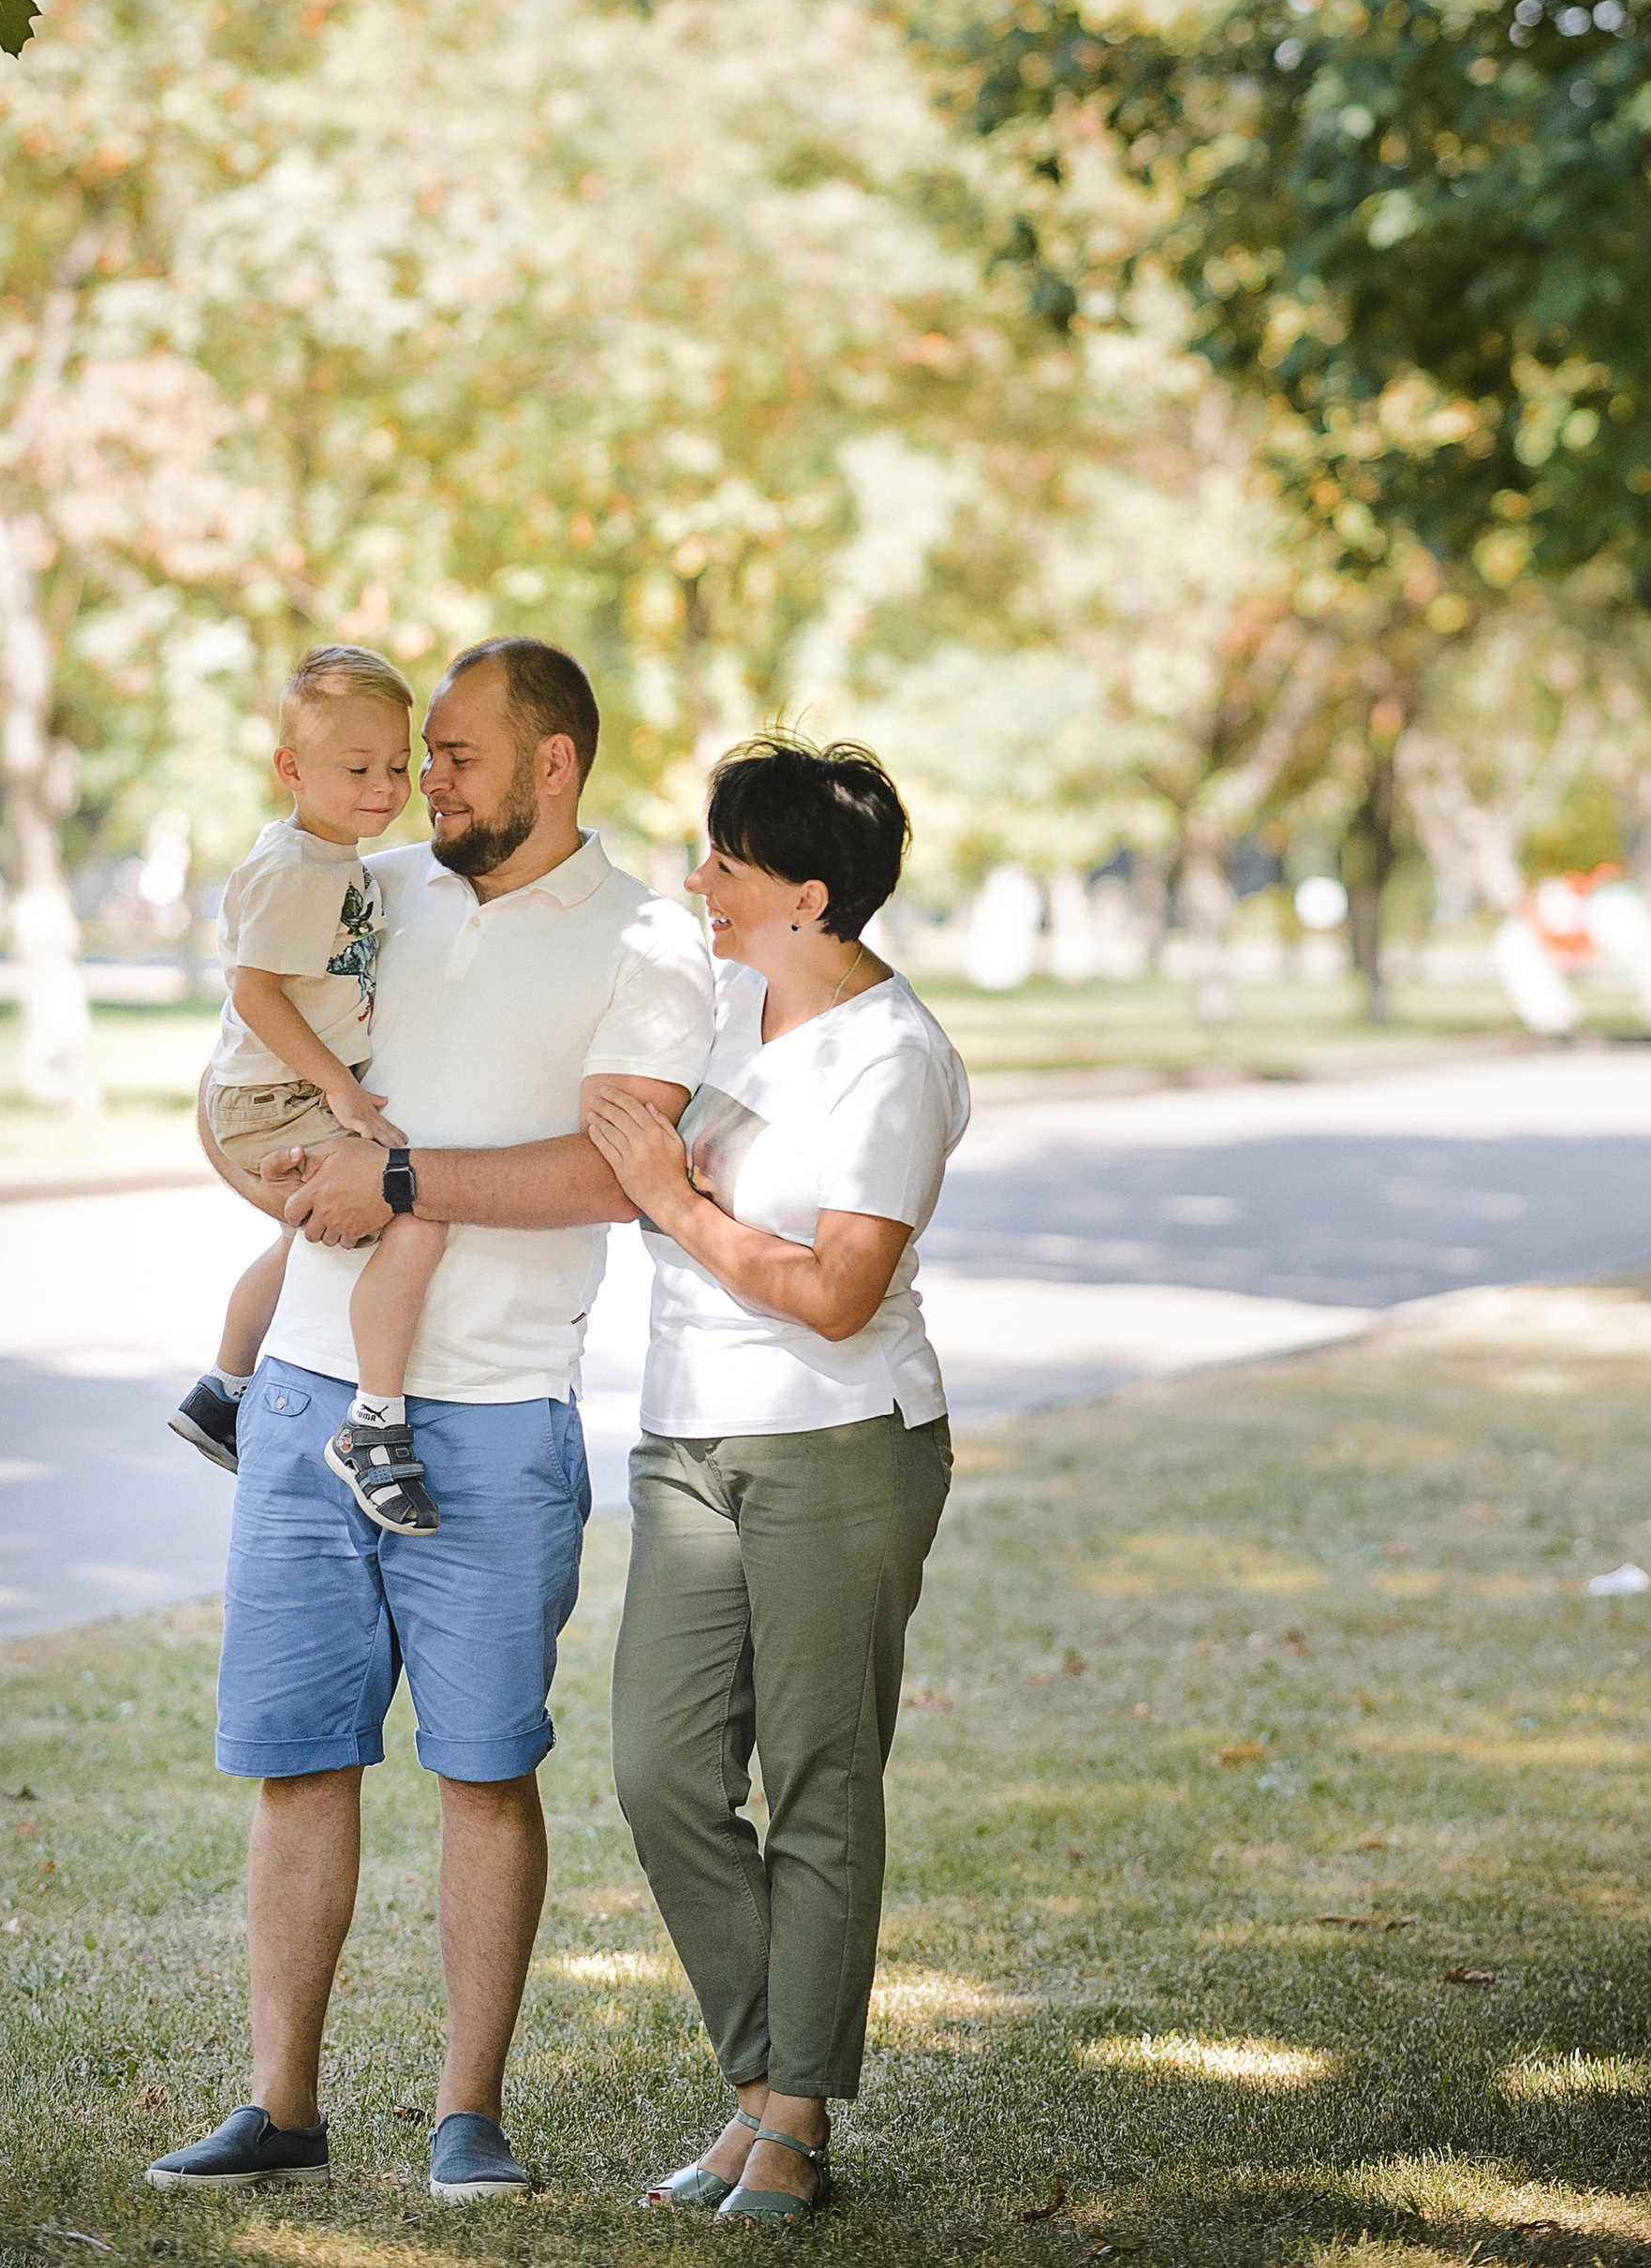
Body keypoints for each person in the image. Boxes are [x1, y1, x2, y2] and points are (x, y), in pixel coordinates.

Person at [147, 638, 715, 2208]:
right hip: (308, 1395)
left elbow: (628, 1176)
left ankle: (469, 2116)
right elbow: (254, 1049)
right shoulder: (367, 883)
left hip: (495, 1417)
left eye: (456, 754)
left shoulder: (645, 940)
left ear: (554, 765)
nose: (420, 780)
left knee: (482, 1769)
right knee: (297, 1758)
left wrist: (400, 1180)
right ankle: (282, 2104)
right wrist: (283, 1176)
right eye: (415, 754)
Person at [585, 736, 968, 2226]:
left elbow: (836, 1294)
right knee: (661, 1770)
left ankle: (792, 2118)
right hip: (685, 1435)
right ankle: (765, 2083)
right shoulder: (723, 1009)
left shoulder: (894, 1058)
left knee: (818, 1776)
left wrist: (674, 1202)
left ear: (810, 896)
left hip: (840, 1440)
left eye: (727, 867)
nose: (702, 884)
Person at [170, 643, 449, 1535]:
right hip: (275, 1097)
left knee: (307, 1240)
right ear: (291, 768)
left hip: (273, 1091)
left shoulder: (327, 858)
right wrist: (344, 1095)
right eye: (358, 767)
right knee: (414, 1204)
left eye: (400, 765)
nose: (386, 785)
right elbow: (254, 991)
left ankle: (223, 1388)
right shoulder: (297, 870)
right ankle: (373, 1424)